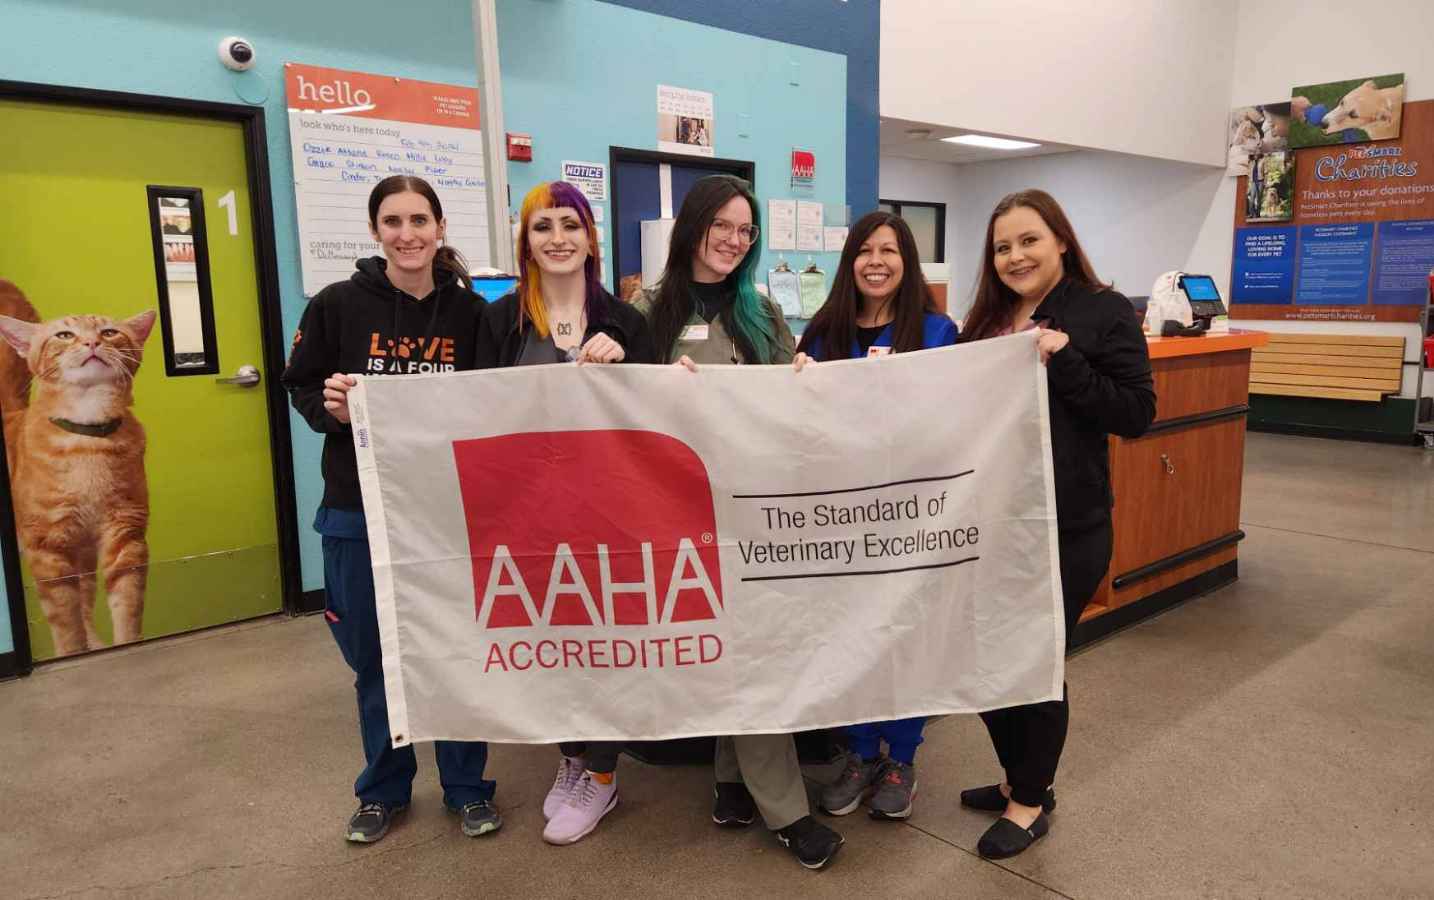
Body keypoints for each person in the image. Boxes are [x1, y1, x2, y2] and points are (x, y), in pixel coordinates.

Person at [281, 175, 499, 845]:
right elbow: (302, 386)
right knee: (375, 659)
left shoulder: (472, 315)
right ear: (376, 230)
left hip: (445, 513)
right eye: (393, 221)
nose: (407, 234)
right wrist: (332, 410)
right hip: (358, 508)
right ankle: (383, 790)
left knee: (455, 650)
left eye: (419, 220)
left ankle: (467, 788)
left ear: (440, 227)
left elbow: (494, 404)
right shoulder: (337, 305)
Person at [636, 174, 842, 870]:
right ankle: (782, 808)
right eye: (720, 224)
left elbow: (787, 401)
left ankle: (742, 784)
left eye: (745, 229)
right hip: (680, 511)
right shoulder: (647, 310)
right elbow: (618, 411)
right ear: (692, 226)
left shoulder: (762, 311)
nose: (732, 239)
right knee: (731, 647)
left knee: (755, 650)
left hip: (754, 512)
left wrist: (802, 372)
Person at [956, 189, 1155, 859]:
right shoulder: (986, 319)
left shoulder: (1102, 311)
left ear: (1061, 241)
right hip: (990, 519)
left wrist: (1065, 359)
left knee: (1035, 662)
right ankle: (1022, 775)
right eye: (1002, 247)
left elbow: (1135, 413)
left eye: (1029, 240)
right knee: (983, 657)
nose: (1015, 256)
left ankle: (1029, 801)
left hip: (1064, 526)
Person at [476, 181, 652, 846]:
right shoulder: (499, 322)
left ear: (590, 238)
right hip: (529, 515)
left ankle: (602, 776)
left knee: (605, 648)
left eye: (571, 225)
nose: (558, 238)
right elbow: (472, 412)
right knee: (551, 646)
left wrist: (626, 366)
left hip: (609, 516)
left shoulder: (627, 322)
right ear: (525, 242)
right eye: (543, 226)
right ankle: (572, 757)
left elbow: (657, 416)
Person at [791, 211, 958, 821]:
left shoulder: (937, 332)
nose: (876, 262)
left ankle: (902, 757)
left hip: (910, 516)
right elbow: (797, 424)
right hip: (842, 519)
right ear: (850, 262)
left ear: (907, 261)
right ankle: (861, 752)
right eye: (865, 251)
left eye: (889, 250)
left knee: (905, 633)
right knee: (852, 633)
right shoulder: (821, 333)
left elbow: (953, 415)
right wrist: (797, 382)